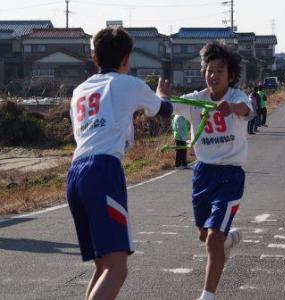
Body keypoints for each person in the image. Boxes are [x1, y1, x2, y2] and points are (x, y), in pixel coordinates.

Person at [66, 27, 172, 300]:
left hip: (76, 172)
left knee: (103, 265)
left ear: (94, 57)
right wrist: (161, 93)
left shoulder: (79, 90)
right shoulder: (127, 83)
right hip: (103, 171)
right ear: (127, 58)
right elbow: (164, 111)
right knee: (117, 269)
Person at [172, 41, 252, 300]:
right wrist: (162, 96)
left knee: (213, 239)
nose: (214, 75)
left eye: (220, 70)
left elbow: (246, 109)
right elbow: (170, 107)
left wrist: (232, 108)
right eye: (209, 70)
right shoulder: (196, 99)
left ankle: (207, 295)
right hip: (202, 173)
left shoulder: (236, 97)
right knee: (205, 235)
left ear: (230, 75)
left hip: (230, 174)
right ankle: (228, 241)